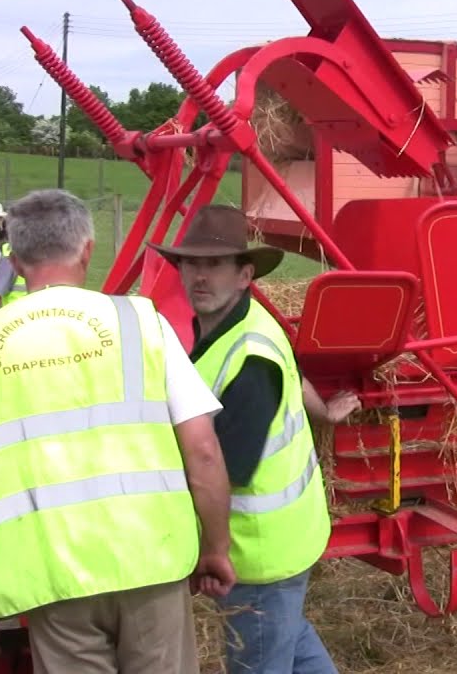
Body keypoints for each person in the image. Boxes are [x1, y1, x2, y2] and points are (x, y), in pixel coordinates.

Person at [0, 189, 237, 674]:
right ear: (88, 249)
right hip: (151, 557)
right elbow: (202, 451)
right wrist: (216, 547)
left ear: (16, 260)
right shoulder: (142, 323)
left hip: (53, 573)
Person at [149, 205, 359, 674]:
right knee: (289, 640)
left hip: (257, 553)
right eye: (190, 264)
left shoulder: (249, 359)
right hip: (287, 537)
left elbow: (220, 470)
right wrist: (325, 412)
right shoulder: (244, 324)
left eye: (214, 265)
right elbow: (295, 374)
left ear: (245, 275)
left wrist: (208, 551)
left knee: (261, 658)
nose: (200, 277)